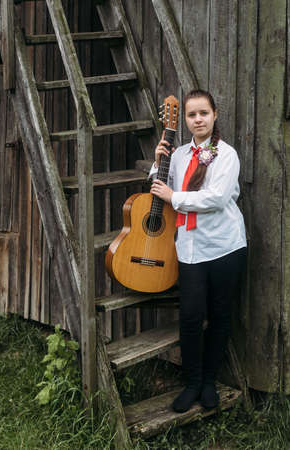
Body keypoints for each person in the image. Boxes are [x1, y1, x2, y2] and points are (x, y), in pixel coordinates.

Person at [149, 89, 247, 413]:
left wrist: (173, 198)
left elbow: (216, 199)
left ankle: (209, 382)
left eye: (203, 113)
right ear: (186, 120)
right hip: (189, 249)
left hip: (224, 246)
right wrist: (157, 163)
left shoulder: (226, 155)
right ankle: (191, 383)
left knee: (219, 316)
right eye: (192, 115)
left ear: (215, 114)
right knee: (191, 317)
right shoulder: (177, 156)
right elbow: (159, 189)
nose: (197, 119)